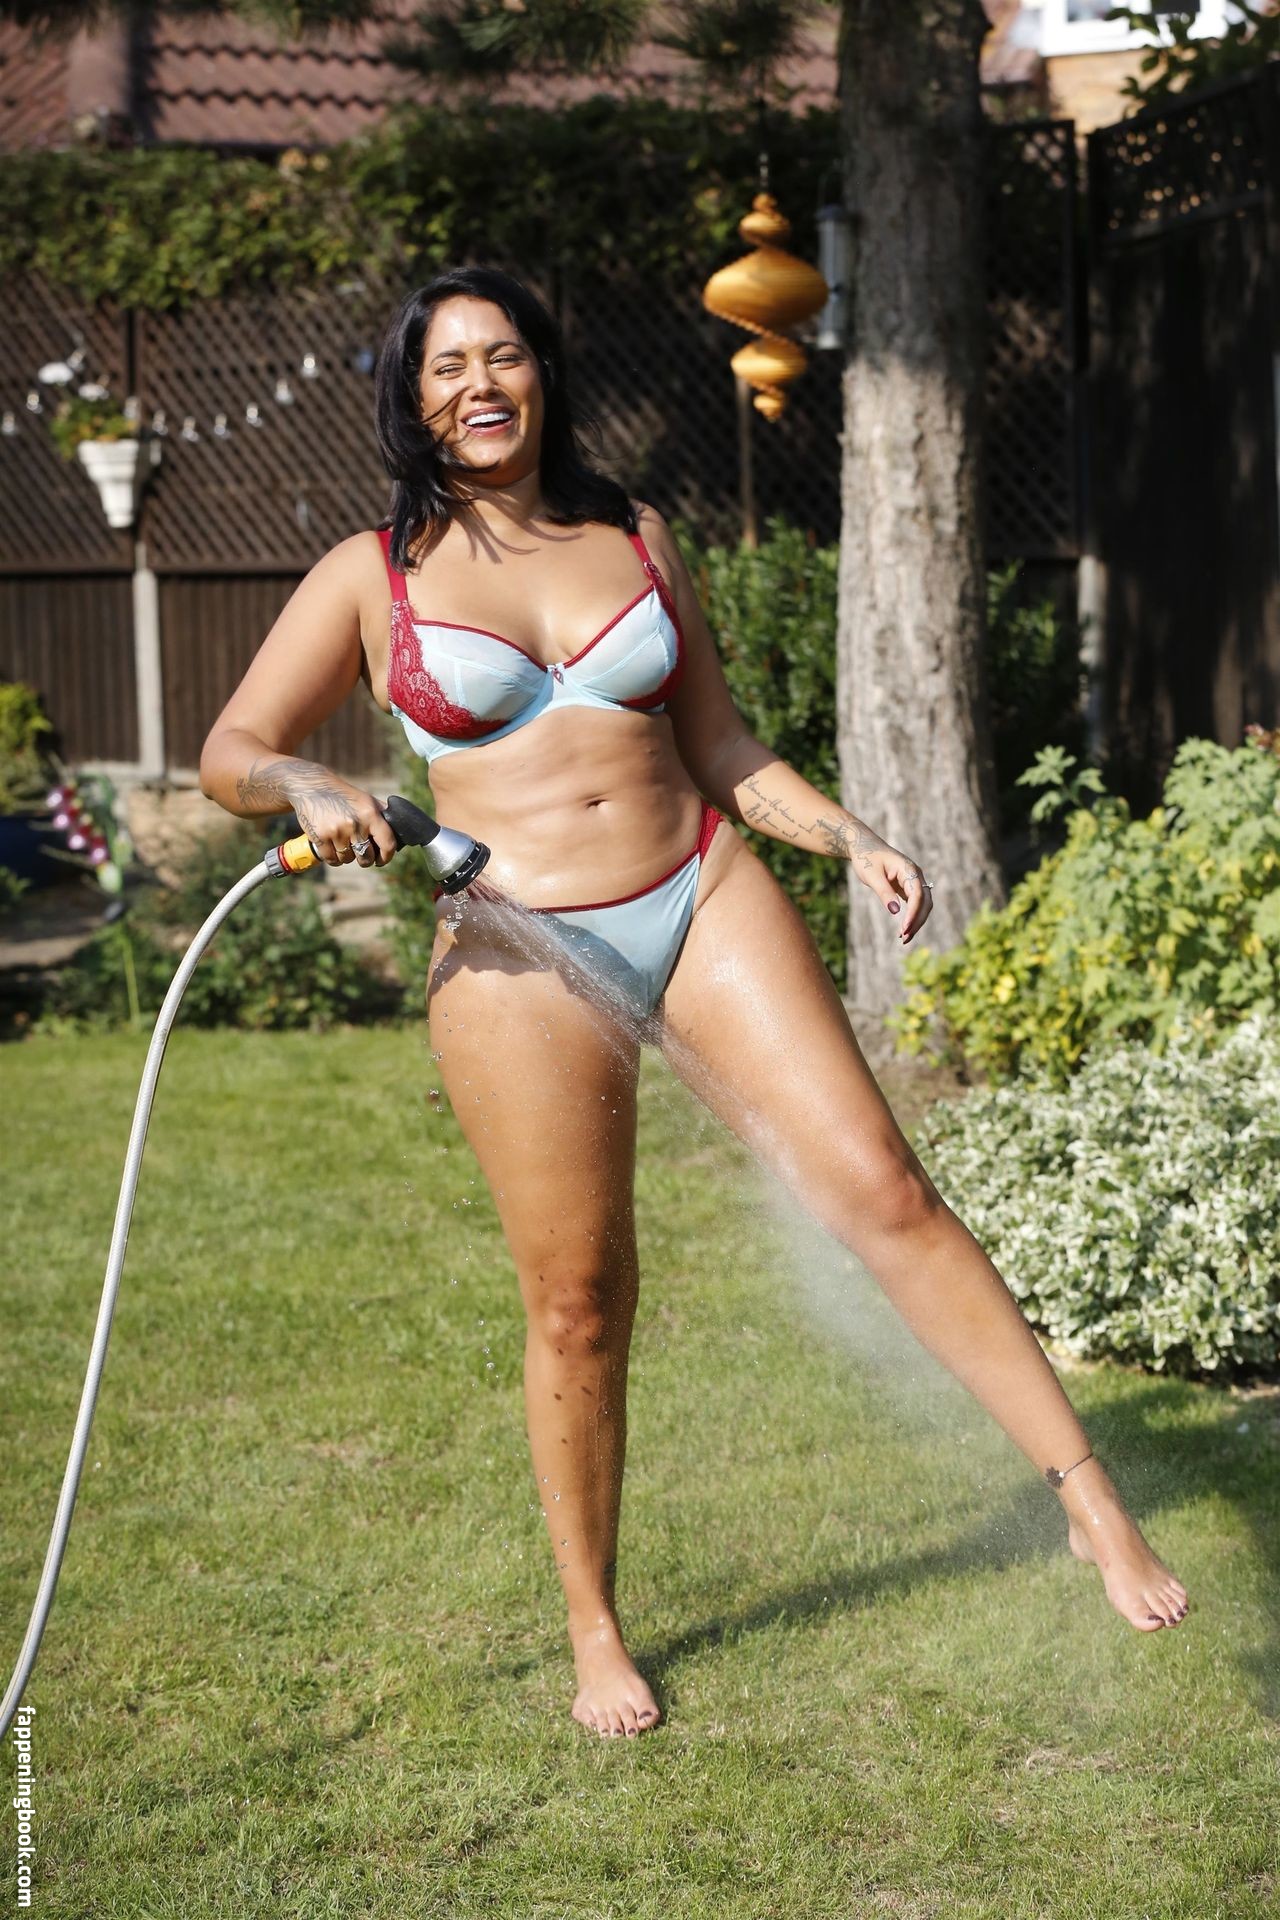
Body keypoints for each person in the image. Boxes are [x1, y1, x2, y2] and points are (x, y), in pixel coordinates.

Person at [199, 265, 1189, 1741]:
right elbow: (231, 750)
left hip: (699, 887)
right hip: (519, 945)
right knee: (580, 1302)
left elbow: (719, 741)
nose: (480, 384)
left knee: (886, 1190)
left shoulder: (640, 534)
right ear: (412, 400)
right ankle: (595, 1627)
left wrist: (849, 836)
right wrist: (304, 780)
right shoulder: (372, 573)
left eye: (504, 355)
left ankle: (1091, 1501)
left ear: (544, 375)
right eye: (447, 366)